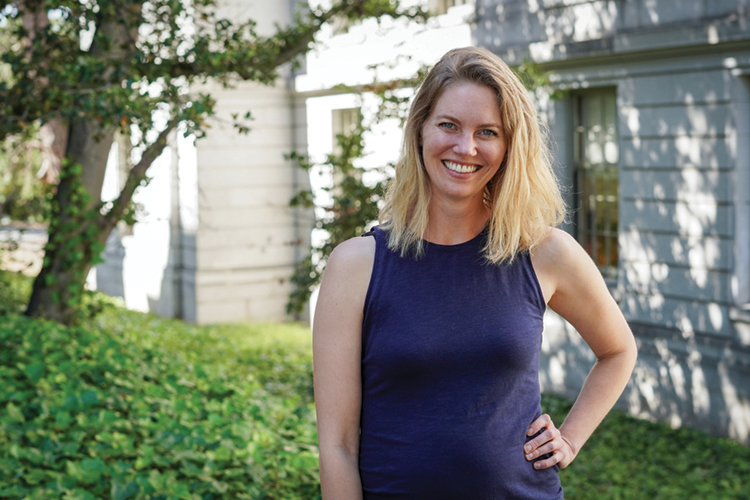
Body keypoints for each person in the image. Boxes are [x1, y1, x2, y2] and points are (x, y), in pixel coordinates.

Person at [313, 47, 637, 500]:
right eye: (449, 125)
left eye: (488, 132)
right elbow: (338, 446)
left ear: (508, 147)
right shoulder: (356, 266)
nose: (465, 148)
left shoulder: (543, 253)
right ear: (420, 130)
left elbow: (618, 350)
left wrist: (571, 437)